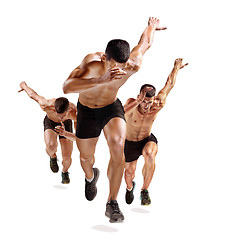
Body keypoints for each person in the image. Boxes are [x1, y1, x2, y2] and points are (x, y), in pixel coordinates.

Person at [62, 17, 166, 223]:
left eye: (122, 65)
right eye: (113, 66)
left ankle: (112, 203)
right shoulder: (91, 63)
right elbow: (66, 87)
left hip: (111, 108)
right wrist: (100, 80)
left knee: (119, 147)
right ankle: (91, 177)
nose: (118, 70)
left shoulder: (132, 64)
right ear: (104, 58)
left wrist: (151, 26)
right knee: (85, 158)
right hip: (87, 111)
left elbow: (144, 44)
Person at [123, 58, 188, 205]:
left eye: (149, 102)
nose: (146, 105)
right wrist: (138, 102)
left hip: (147, 139)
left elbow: (169, 84)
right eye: (144, 101)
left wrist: (176, 67)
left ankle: (144, 191)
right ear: (140, 96)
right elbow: (121, 113)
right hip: (130, 143)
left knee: (150, 155)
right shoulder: (131, 103)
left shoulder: (158, 104)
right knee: (129, 173)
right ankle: (129, 187)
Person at [18, 81, 77, 184]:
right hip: (51, 122)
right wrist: (24, 86)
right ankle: (53, 157)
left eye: (63, 116)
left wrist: (65, 134)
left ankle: (65, 171)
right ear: (54, 109)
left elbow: (79, 137)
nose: (60, 118)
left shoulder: (75, 113)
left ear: (69, 109)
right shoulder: (46, 105)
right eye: (58, 114)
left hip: (66, 126)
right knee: (50, 146)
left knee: (67, 158)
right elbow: (33, 95)